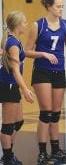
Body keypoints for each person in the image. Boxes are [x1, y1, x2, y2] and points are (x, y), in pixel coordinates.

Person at [25, 0, 66, 164]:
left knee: (56, 114)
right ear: (49, 7)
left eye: (62, 6)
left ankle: (56, 149)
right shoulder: (38, 25)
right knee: (46, 112)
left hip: (59, 72)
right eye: (58, 6)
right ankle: (42, 152)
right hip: (42, 71)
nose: (61, 9)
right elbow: (26, 51)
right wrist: (43, 54)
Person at [0, 11, 34, 164]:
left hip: (11, 85)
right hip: (8, 85)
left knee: (18, 122)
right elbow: (15, 70)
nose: (26, 25)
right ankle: (7, 158)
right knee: (8, 125)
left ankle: (8, 154)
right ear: (17, 25)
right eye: (24, 22)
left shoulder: (14, 40)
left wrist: (42, 55)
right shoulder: (12, 43)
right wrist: (25, 89)